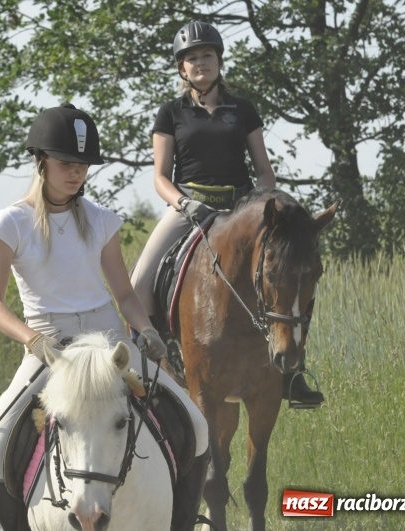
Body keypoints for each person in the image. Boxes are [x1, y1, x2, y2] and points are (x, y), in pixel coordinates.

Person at [0, 104, 209, 531]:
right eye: (67, 163)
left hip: (106, 346)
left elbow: (123, 292)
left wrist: (145, 330)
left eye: (83, 165)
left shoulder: (102, 221)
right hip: (49, 347)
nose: (76, 173)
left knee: (196, 424)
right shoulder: (12, 221)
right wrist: (33, 341)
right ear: (41, 160)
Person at [129, 20, 323, 406]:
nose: (200, 63)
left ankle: (292, 375)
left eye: (206, 55)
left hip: (241, 208)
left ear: (219, 61)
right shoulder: (170, 114)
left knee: (288, 275)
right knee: (137, 283)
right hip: (190, 207)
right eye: (191, 58)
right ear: (181, 68)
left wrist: (263, 203)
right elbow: (160, 178)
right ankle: (145, 369)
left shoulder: (243, 110)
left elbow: (263, 168)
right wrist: (183, 202)